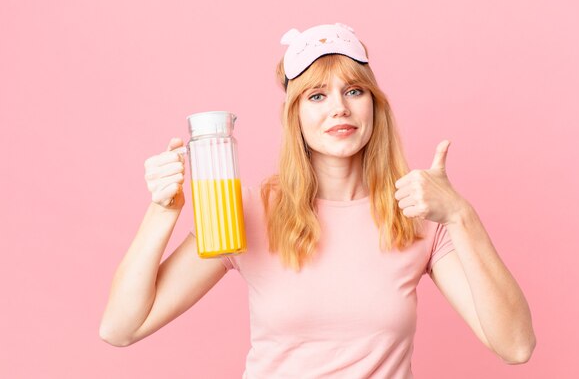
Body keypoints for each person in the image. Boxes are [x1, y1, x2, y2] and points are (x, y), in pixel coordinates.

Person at [100, 23, 536, 377]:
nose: (339, 109)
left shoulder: (417, 215)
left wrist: (462, 216)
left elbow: (515, 347)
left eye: (353, 91)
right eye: (316, 95)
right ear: (296, 118)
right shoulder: (248, 212)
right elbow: (121, 328)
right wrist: (163, 211)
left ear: (374, 107)